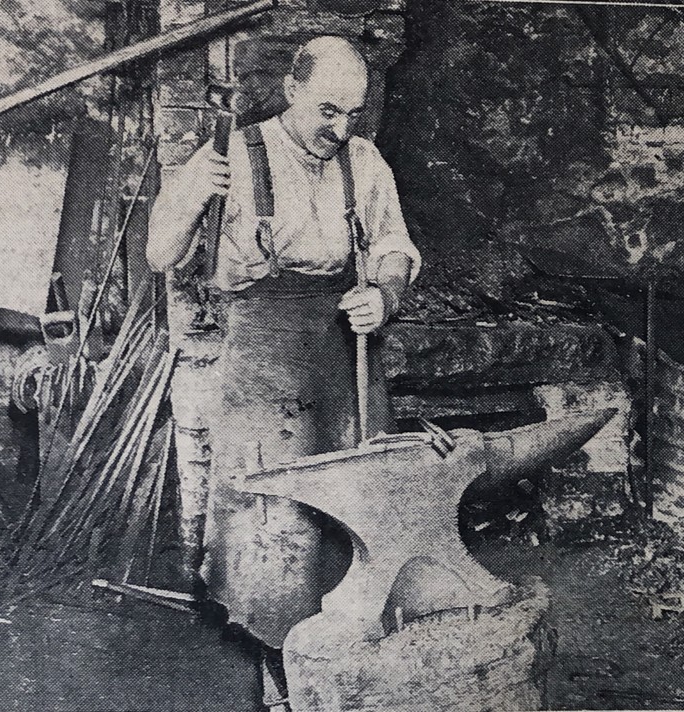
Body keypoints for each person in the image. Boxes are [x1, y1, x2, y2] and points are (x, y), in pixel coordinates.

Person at [147, 35, 421, 708]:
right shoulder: (236, 154)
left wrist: (382, 295)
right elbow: (160, 253)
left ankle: (349, 671)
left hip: (344, 359)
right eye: (329, 109)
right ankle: (280, 681)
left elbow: (393, 245)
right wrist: (189, 197)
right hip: (264, 367)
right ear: (293, 90)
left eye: (353, 113)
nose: (341, 128)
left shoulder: (365, 160)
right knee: (276, 534)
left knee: (357, 521)